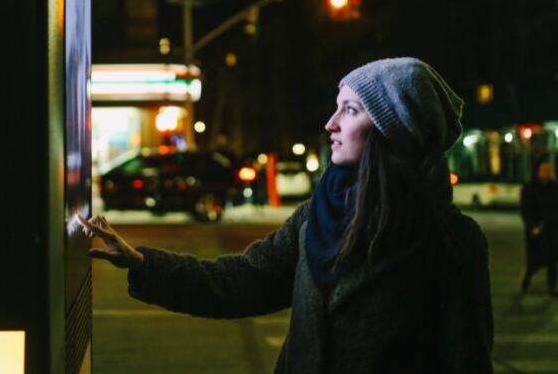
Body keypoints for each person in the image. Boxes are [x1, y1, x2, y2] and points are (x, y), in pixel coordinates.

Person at [78, 57, 494, 373]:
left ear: (392, 127)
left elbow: (468, 361)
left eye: (350, 110)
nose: (330, 123)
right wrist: (145, 264)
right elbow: (243, 280)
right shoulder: (317, 216)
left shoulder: (451, 240)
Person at [519, 160, 558, 296]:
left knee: (553, 258)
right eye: (544, 170)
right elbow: (526, 209)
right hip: (535, 230)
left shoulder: (554, 187)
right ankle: (527, 278)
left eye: (549, 170)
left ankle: (551, 287)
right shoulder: (530, 188)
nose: (547, 173)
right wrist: (532, 226)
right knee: (534, 260)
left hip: (552, 229)